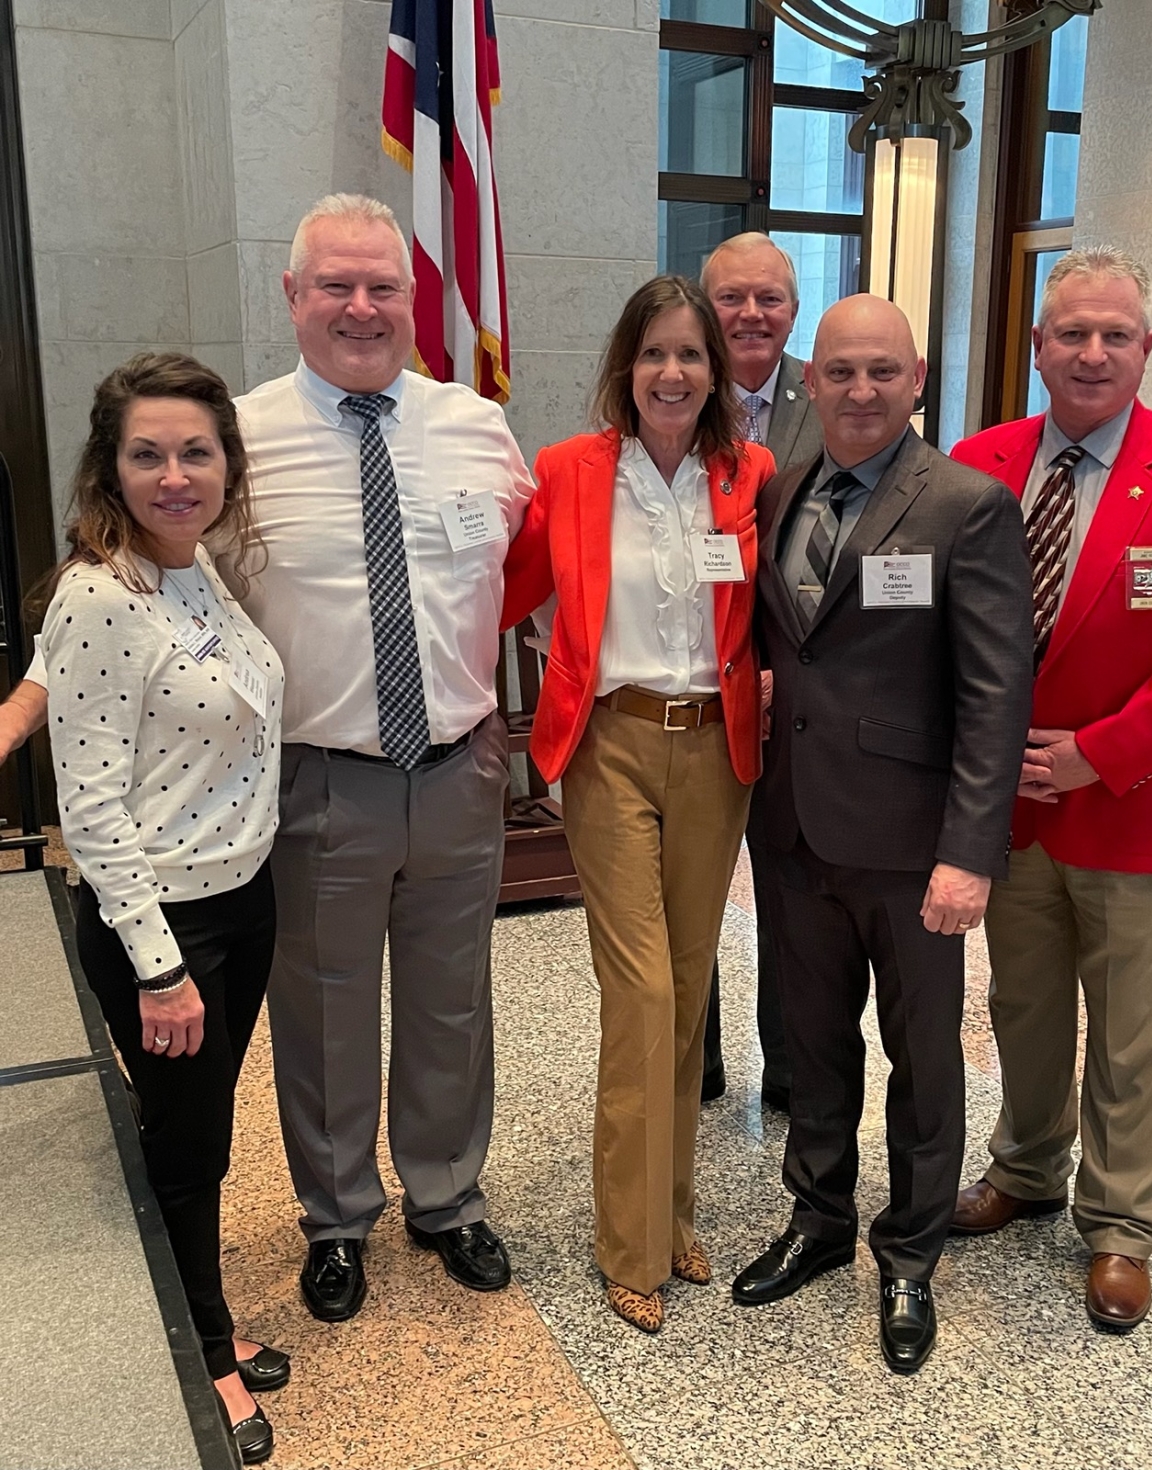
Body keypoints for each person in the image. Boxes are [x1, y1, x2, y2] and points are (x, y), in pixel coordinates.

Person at [0, 194, 536, 1323]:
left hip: (455, 773)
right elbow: (133, 585)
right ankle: (337, 1215)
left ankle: (446, 1197)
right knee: (326, 1008)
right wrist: (26, 703)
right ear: (290, 298)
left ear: (412, 296)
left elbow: (524, 584)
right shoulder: (235, 441)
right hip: (317, 780)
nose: (358, 306)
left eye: (380, 285)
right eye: (332, 285)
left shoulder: (479, 429)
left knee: (453, 1003)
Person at [950, 248, 1152, 1331]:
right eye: (1068, 333)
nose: (1089, 352)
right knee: (1021, 1006)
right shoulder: (977, 463)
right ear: (1035, 347)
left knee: (1132, 1030)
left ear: (1143, 348)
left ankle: (1120, 1225)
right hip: (1010, 813)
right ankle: (1028, 1167)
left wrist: (1101, 749)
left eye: (1112, 335)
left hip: (1129, 800)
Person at [730, 295, 1034, 1375]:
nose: (860, 392)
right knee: (808, 1043)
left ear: (914, 381)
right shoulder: (776, 495)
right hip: (795, 829)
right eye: (841, 373)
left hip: (914, 847)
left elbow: (995, 694)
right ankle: (815, 1221)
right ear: (809, 381)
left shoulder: (965, 505)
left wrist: (968, 851)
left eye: (882, 374)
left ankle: (906, 1251)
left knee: (921, 1055)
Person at [501, 276, 775, 1332]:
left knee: (689, 981)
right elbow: (504, 589)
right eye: (653, 353)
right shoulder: (571, 471)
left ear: (715, 374)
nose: (671, 372)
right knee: (643, 993)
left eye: (690, 356)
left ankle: (670, 1212)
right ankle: (629, 1242)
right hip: (609, 745)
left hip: (714, 752)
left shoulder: (745, 474)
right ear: (625, 366)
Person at [38, 353, 287, 1464]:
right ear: (111, 466)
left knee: (201, 1133)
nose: (175, 474)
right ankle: (209, 1353)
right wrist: (158, 968)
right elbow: (87, 808)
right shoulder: (98, 593)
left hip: (244, 897)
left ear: (227, 465)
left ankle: (194, 1313)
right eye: (148, 455)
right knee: (187, 1148)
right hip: (169, 928)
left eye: (196, 452)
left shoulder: (191, 570)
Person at [697, 233, 824, 1113]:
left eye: (769, 299)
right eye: (732, 298)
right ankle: (693, 1067)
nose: (750, 315)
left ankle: (789, 1068)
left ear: (793, 307)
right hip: (695, 689)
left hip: (798, 697)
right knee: (690, 890)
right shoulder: (669, 387)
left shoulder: (836, 394)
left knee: (792, 893)